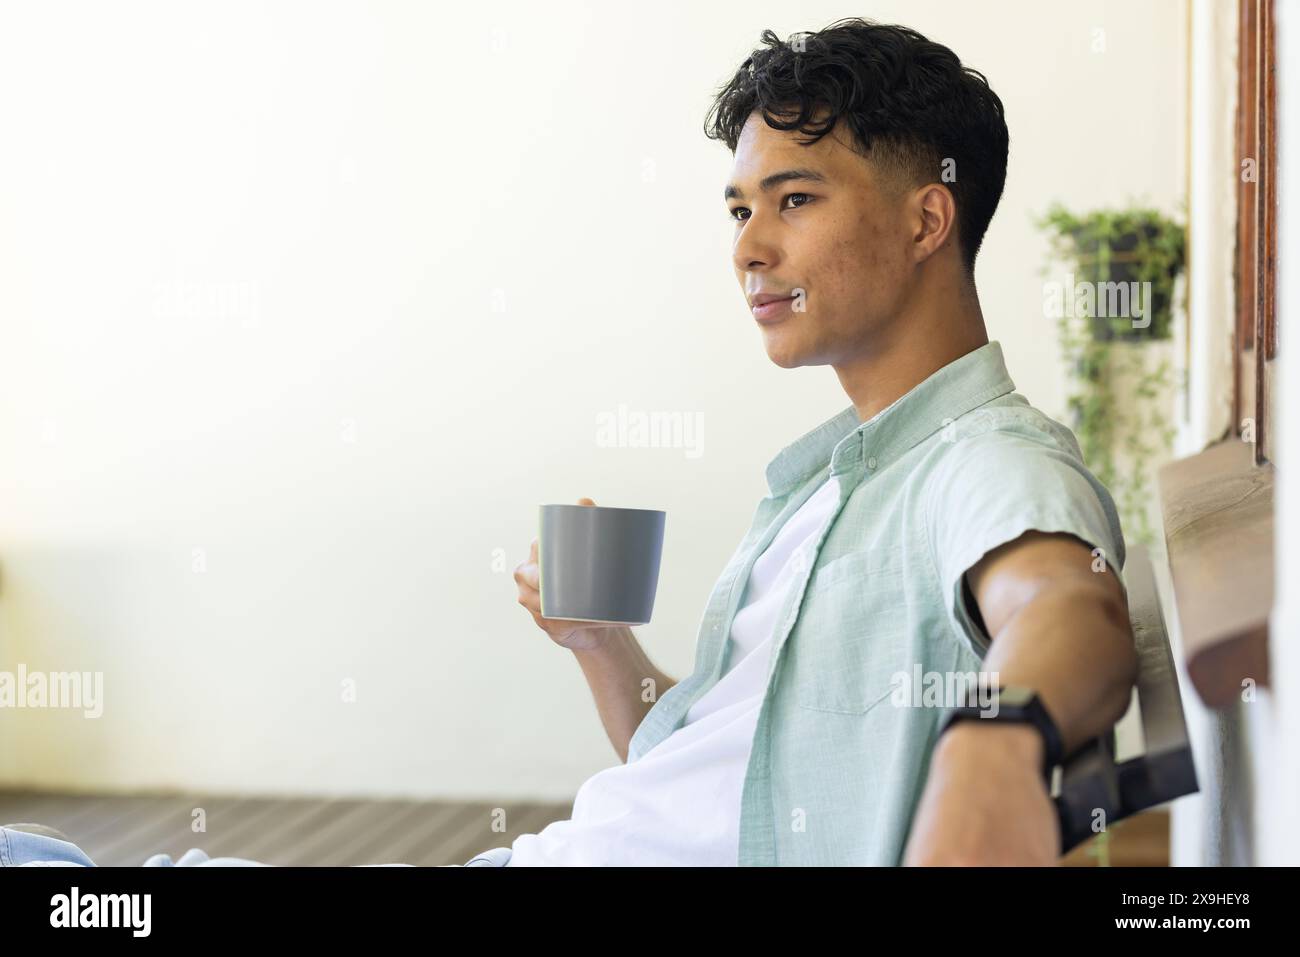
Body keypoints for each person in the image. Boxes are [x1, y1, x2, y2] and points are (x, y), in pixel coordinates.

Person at [3, 17, 1135, 868]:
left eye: (792, 201)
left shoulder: (981, 461)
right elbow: (698, 770)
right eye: (738, 210)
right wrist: (605, 649)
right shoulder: (836, 480)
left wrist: (995, 739)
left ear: (925, 218)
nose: (748, 247)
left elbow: (1068, 611)